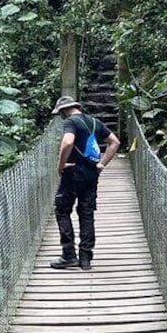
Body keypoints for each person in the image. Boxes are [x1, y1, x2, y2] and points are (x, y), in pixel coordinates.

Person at [49, 95, 121, 270]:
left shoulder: (70, 122)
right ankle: (85, 258)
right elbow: (115, 142)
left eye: (60, 114)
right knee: (86, 212)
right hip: (91, 173)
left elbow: (67, 142)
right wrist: (102, 164)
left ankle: (68, 255)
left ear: (64, 110)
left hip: (72, 172)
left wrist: (61, 165)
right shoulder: (94, 122)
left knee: (62, 210)